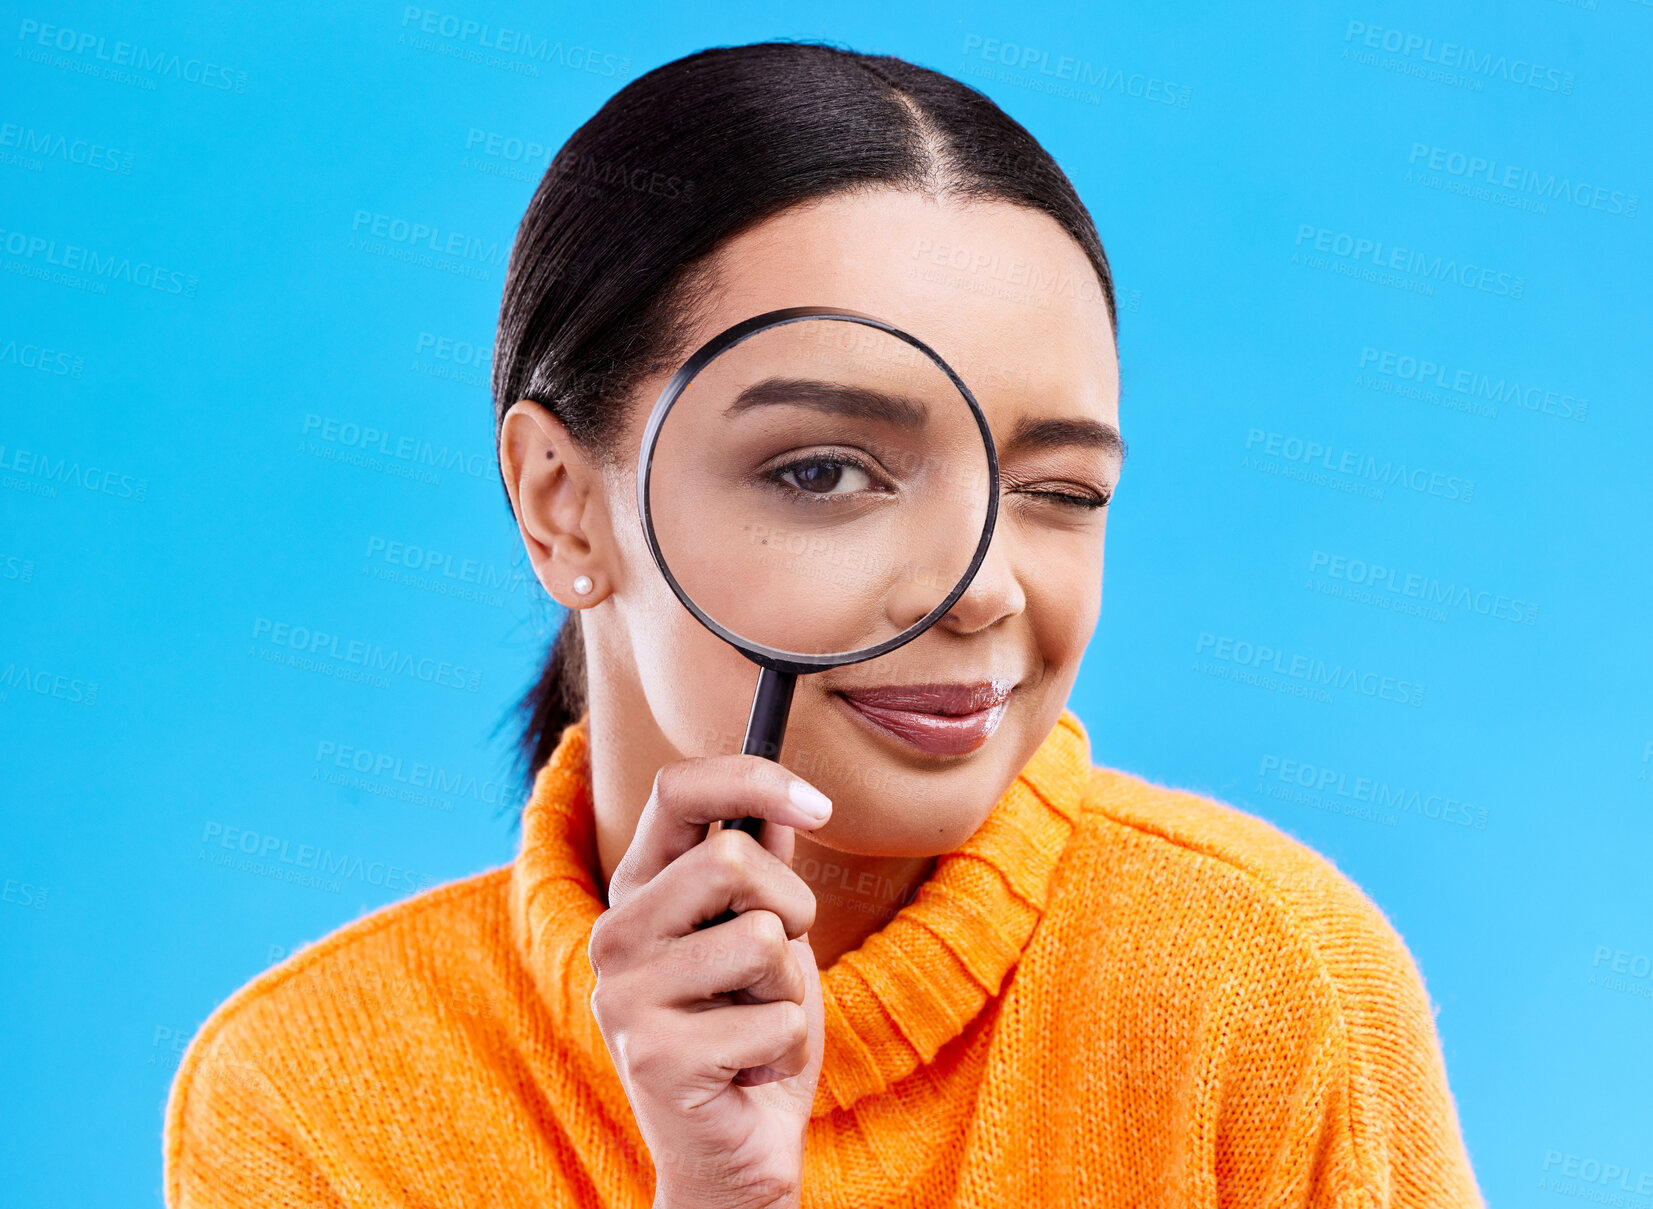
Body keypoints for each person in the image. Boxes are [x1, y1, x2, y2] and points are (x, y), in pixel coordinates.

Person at [164, 41, 1484, 1208]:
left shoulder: (1262, 979)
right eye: (821, 470)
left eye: (1058, 489)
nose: (982, 588)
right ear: (563, 506)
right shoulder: (309, 1098)